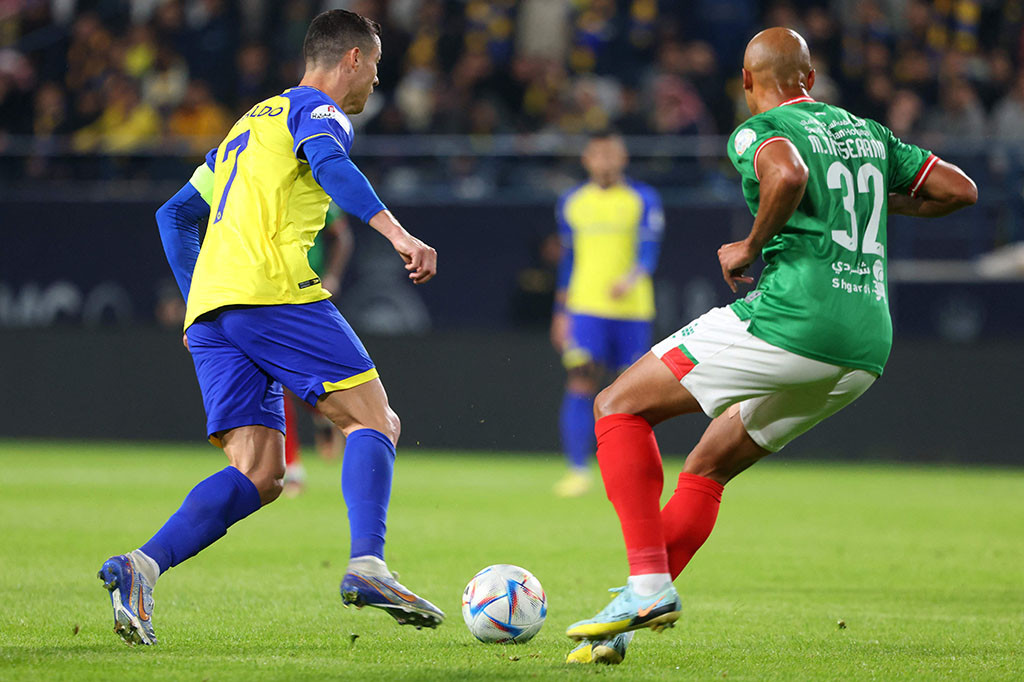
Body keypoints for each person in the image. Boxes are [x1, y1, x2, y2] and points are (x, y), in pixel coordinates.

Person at [565, 27, 977, 665]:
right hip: (866, 344)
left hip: (794, 318)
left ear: (748, 82)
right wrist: (860, 204)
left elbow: (784, 171)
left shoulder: (756, 131)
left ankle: (646, 585)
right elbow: (959, 190)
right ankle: (627, 619)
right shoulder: (868, 132)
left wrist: (749, 247)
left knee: (617, 404)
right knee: (707, 468)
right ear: (810, 80)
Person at [97, 10, 443, 646]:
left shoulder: (248, 125)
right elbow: (332, 166)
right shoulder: (318, 112)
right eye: (375, 66)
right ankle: (368, 563)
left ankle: (139, 568)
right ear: (353, 61)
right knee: (375, 421)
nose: (374, 82)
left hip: (216, 312)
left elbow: (173, 216)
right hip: (273, 295)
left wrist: (198, 299)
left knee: (260, 474)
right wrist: (397, 233)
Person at [550, 131, 664, 497]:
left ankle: (630, 471)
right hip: (585, 307)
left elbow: (648, 254)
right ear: (587, 159)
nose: (605, 162)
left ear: (623, 158)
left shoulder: (642, 199)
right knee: (581, 380)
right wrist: (561, 311)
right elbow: (568, 261)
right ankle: (578, 470)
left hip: (632, 309)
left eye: (611, 155)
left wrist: (630, 279)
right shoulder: (572, 202)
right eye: (598, 155)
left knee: (633, 393)